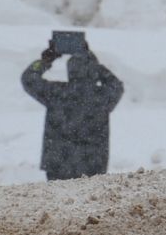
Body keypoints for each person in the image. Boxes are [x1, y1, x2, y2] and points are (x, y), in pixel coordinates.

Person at [19, 36, 123, 181]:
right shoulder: (102, 96)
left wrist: (45, 61)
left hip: (58, 164)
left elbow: (28, 79)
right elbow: (117, 85)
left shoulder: (57, 92)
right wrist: (94, 64)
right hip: (93, 165)